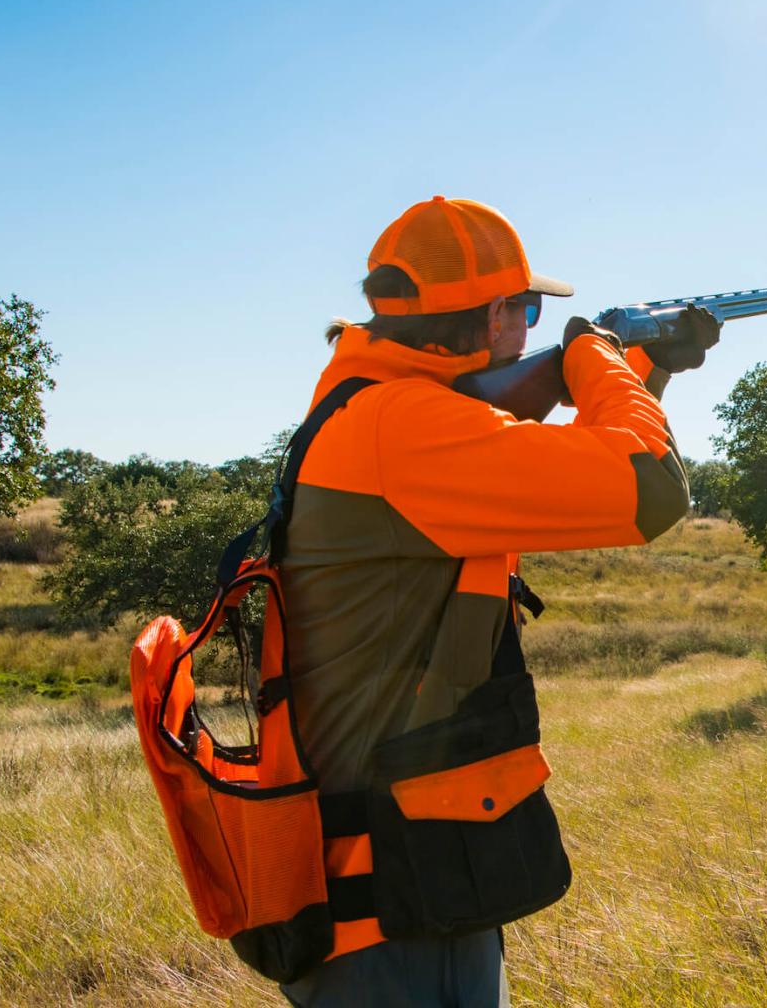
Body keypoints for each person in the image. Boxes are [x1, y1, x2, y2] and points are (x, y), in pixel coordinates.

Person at [276, 196, 717, 1006]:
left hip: (391, 880)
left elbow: (569, 473)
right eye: (528, 308)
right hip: (398, 911)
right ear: (489, 319)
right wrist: (594, 354)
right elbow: (651, 492)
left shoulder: (376, 411)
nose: (533, 326)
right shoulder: (405, 428)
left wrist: (640, 369)